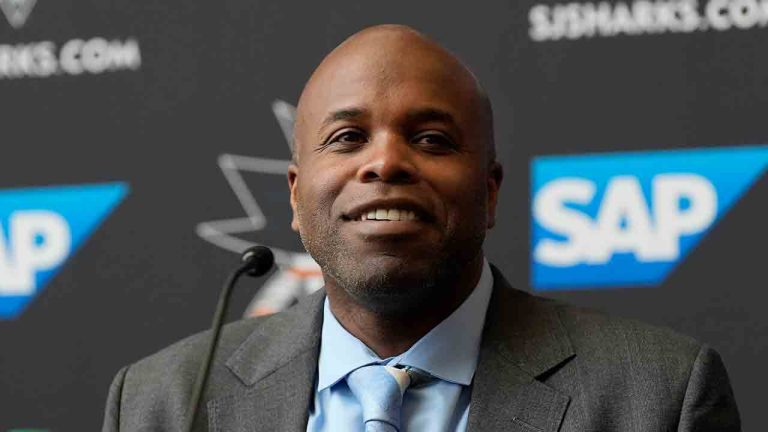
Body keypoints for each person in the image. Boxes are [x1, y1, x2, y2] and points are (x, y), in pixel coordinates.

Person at [102, 25, 740, 431]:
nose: (384, 162)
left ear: (489, 193)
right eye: (347, 137)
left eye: (431, 139)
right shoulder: (159, 405)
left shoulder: (658, 398)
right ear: (295, 197)